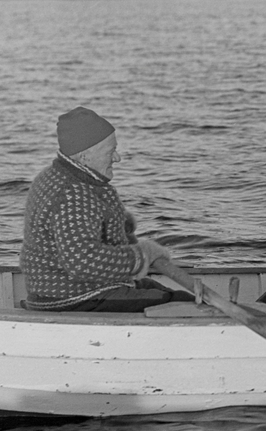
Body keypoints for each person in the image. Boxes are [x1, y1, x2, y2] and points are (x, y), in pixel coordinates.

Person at [20, 106, 192, 312]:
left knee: (173, 295)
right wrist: (142, 256)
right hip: (73, 296)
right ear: (84, 157)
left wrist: (119, 226)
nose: (117, 158)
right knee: (181, 303)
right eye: (111, 151)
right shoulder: (71, 193)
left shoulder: (61, 177)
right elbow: (83, 262)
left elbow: (84, 226)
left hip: (78, 289)